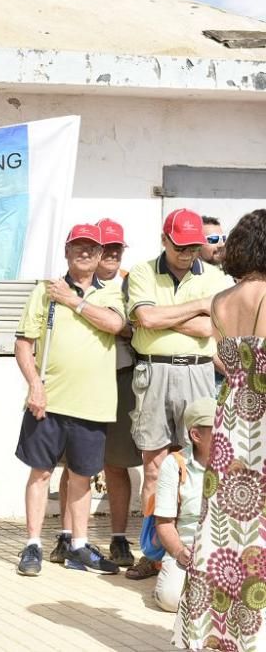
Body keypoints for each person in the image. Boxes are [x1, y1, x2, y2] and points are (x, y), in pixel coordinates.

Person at [173, 208, 266, 650]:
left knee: (224, 530)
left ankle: (214, 632)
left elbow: (226, 363)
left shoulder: (219, 302)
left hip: (231, 423)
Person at [14, 224, 126, 577]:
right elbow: (23, 344)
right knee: (41, 473)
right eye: (78, 246)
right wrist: (35, 384)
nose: (86, 252)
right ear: (66, 251)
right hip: (48, 400)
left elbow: (114, 325)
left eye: (92, 248)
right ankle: (33, 544)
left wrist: (74, 302)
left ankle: (79, 545)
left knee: (82, 477)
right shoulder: (44, 291)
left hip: (93, 403)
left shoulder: (111, 292)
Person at [127, 208, 230, 579]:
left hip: (199, 372)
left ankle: (203, 548)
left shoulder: (216, 276)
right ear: (164, 240)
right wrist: (196, 309)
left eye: (193, 247)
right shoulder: (141, 271)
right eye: (180, 247)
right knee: (153, 468)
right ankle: (154, 554)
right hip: (154, 369)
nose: (187, 254)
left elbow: (210, 327)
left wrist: (168, 315)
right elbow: (146, 319)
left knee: (204, 463)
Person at [52, 219, 142, 568]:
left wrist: (120, 324)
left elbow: (131, 325)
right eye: (109, 247)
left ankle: (118, 538)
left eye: (119, 247)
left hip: (120, 377)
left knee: (115, 463)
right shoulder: (71, 285)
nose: (114, 254)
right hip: (78, 382)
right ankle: (67, 537)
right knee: (72, 466)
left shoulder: (130, 285)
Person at [151, 397, 214, 613]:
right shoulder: (174, 464)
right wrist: (179, 552)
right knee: (170, 599)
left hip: (229, 551)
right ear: (196, 435)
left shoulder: (239, 460)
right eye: (219, 428)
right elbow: (164, 523)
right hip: (189, 550)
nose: (227, 433)